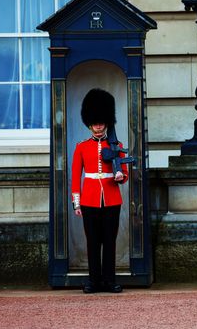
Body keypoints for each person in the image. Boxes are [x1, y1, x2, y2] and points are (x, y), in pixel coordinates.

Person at [71, 88, 129, 294]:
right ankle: (93, 281)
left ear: (106, 122)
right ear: (89, 124)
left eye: (101, 122)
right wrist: (77, 203)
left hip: (112, 199)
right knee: (93, 242)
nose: (98, 126)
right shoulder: (81, 147)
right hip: (89, 200)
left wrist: (120, 176)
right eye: (95, 123)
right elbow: (76, 176)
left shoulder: (117, 145)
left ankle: (109, 280)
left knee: (110, 242)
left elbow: (124, 171)